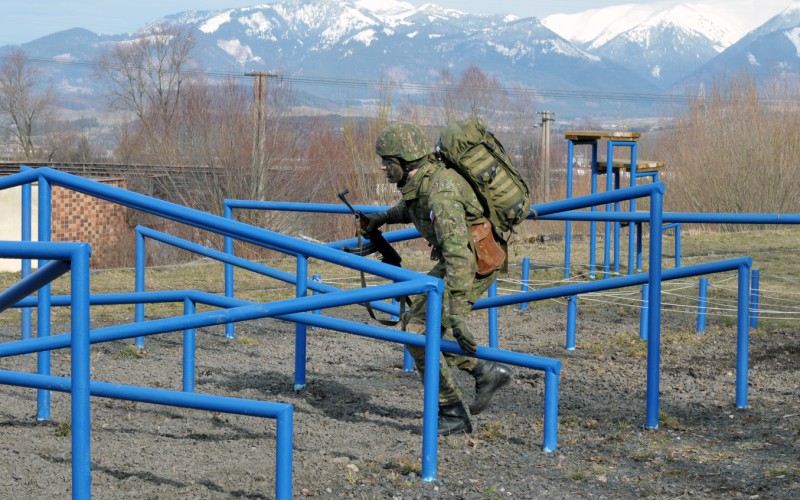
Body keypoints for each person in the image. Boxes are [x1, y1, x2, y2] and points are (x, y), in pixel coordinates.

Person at [366, 121, 513, 435]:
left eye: (387, 163)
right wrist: (381, 218)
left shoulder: (442, 191)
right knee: (418, 328)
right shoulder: (427, 179)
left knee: (419, 331)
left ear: (404, 162)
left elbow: (459, 256)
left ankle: (453, 412)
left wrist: (457, 315)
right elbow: (413, 206)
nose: (383, 169)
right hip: (459, 261)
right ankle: (483, 374)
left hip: (472, 264)